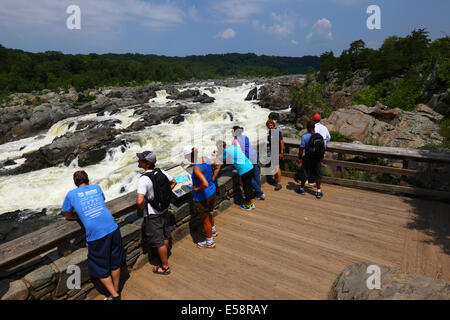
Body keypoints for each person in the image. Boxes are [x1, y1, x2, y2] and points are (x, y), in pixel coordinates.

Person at [62, 170, 125, 301]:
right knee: (115, 261)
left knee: (99, 266)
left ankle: (115, 295)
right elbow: (101, 201)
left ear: (75, 183)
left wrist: (76, 216)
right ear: (88, 179)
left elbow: (67, 214)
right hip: (112, 228)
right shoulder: (96, 187)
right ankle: (116, 289)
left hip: (96, 234)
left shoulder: (71, 194)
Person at [136, 151, 177, 275]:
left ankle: (164, 267)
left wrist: (144, 207)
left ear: (147, 164)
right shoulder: (161, 172)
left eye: (141, 160)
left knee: (158, 240)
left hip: (153, 214)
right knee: (164, 235)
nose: (138, 161)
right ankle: (164, 256)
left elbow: (139, 201)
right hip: (163, 209)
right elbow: (174, 182)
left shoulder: (143, 179)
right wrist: (164, 196)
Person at [183, 145, 221, 248]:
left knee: (204, 219)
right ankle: (213, 231)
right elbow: (217, 165)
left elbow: (204, 184)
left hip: (203, 196)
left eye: (186, 157)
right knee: (209, 213)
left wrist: (196, 189)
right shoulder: (206, 159)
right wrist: (213, 177)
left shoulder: (196, 168)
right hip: (212, 191)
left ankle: (209, 242)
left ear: (189, 156)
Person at [216, 140, 255, 211]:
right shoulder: (233, 146)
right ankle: (251, 201)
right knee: (249, 185)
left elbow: (220, 159)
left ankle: (249, 205)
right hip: (250, 166)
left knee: (246, 187)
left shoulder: (225, 151)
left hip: (244, 170)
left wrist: (217, 153)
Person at [232, 126, 265, 200]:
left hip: (248, 159)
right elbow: (251, 146)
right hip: (254, 156)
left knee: (249, 178)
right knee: (256, 175)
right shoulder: (245, 137)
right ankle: (258, 193)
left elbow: (238, 151)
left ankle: (260, 193)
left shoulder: (235, 140)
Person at [296, 121, 325, 199]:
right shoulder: (320, 136)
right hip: (317, 159)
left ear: (307, 128)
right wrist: (322, 158)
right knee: (317, 175)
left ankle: (301, 188)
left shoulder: (304, 137)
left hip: (308, 158)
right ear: (314, 128)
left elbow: (301, 149)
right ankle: (318, 191)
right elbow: (323, 148)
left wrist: (299, 159)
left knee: (304, 173)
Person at [266, 119, 284, 191]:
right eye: (268, 125)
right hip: (273, 152)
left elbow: (281, 142)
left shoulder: (276, 132)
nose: (270, 126)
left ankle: (279, 183)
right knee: (275, 167)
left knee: (277, 167)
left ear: (273, 125)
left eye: (271, 125)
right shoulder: (270, 132)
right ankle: (276, 180)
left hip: (277, 152)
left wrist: (281, 152)